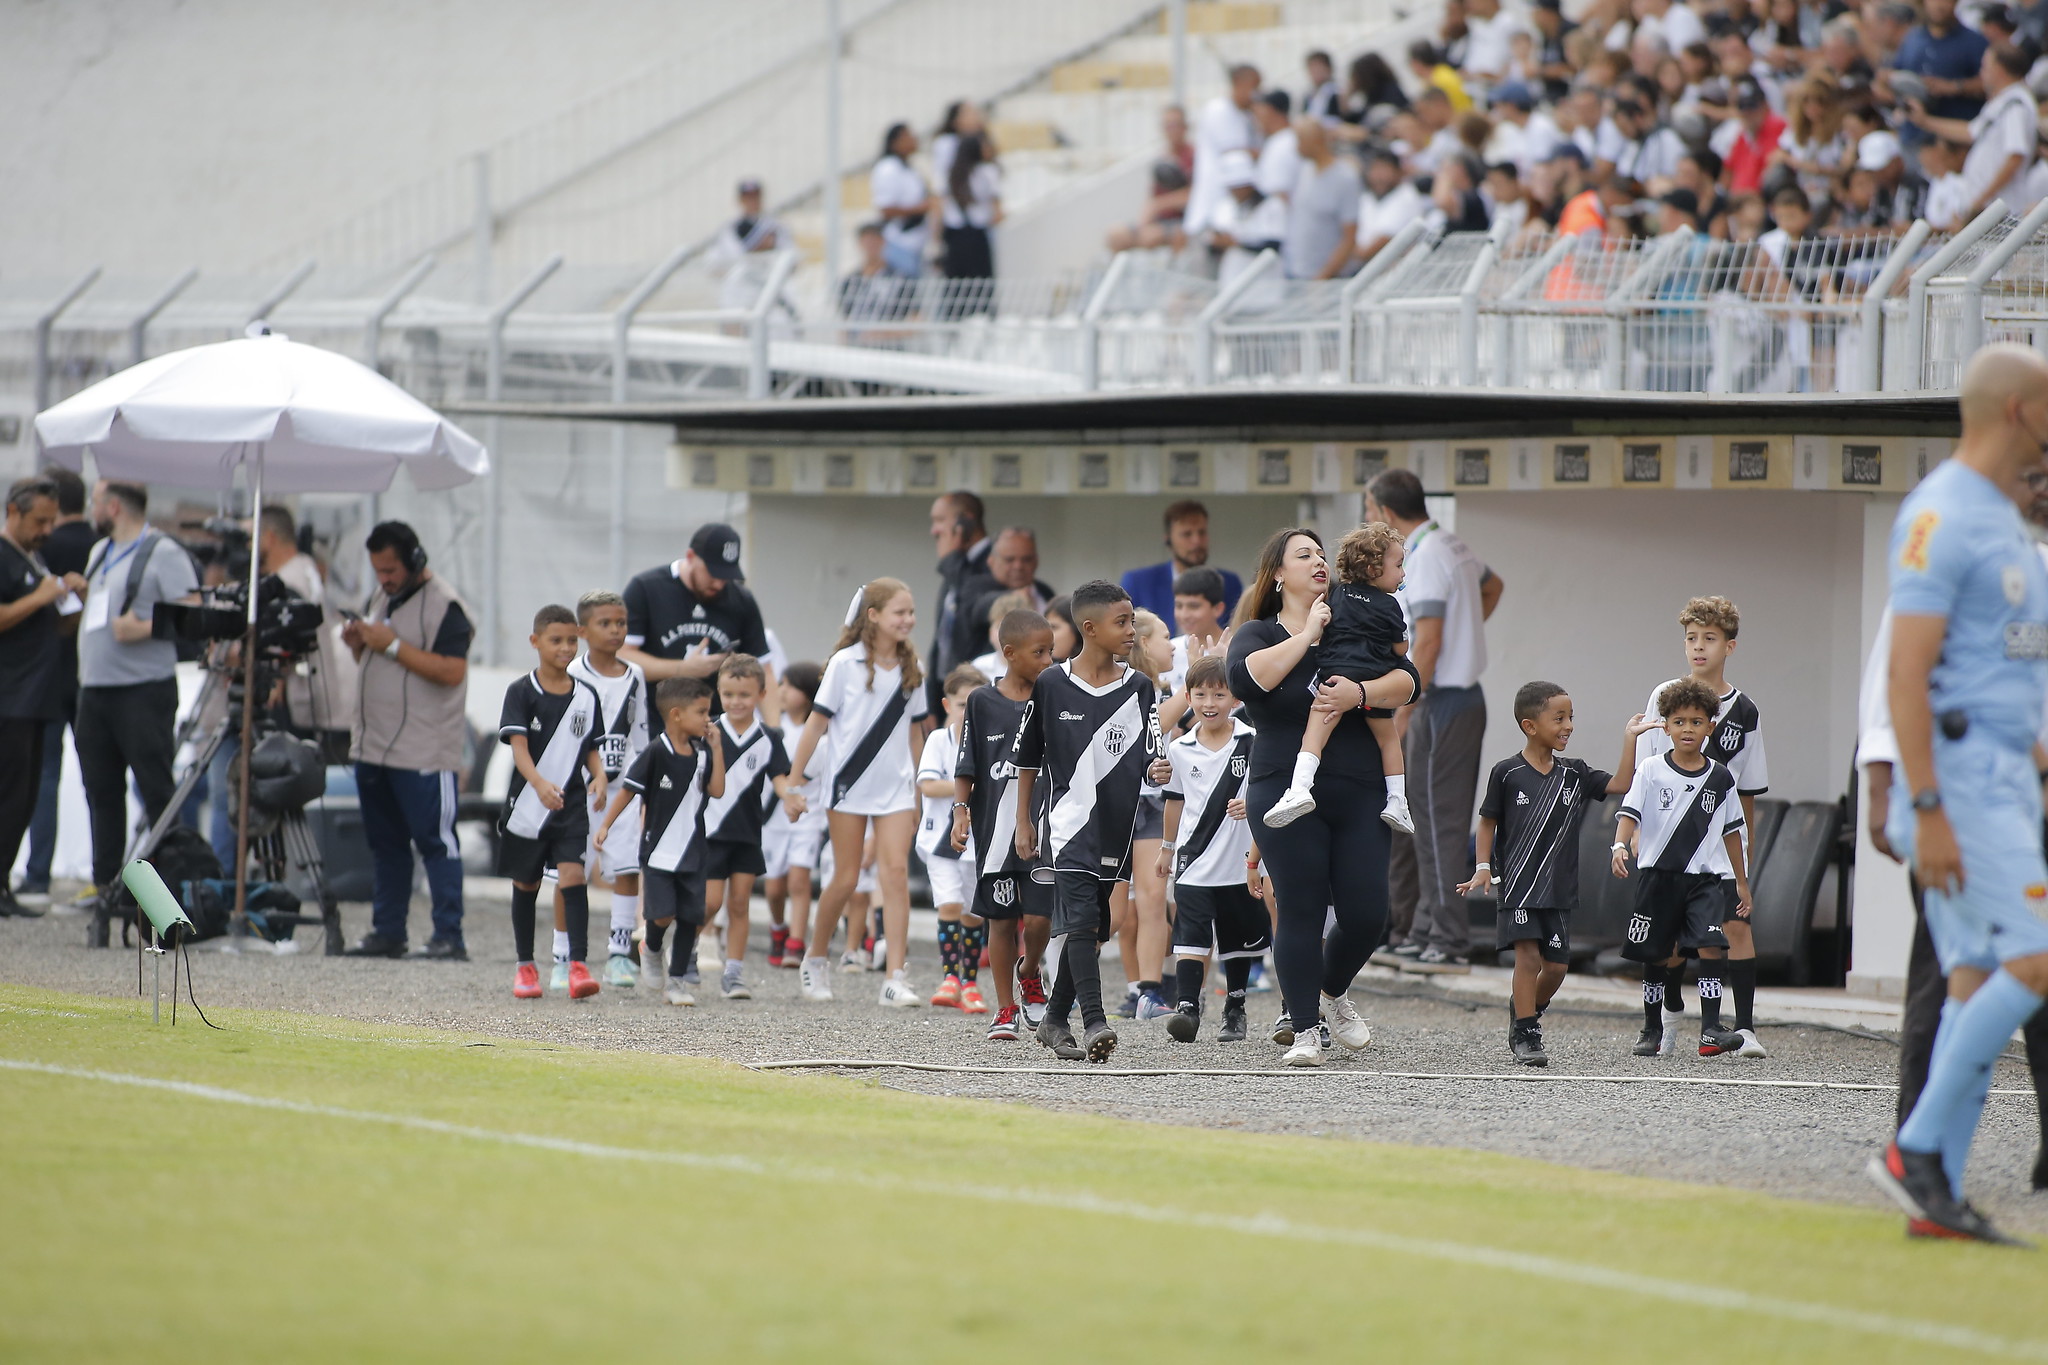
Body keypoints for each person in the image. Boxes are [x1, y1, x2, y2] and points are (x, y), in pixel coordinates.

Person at [1867, 344, 2048, 1246]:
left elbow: (2006, 663)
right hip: (1962, 783)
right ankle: (1918, 1152)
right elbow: (1908, 674)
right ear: (2019, 409)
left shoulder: (2008, 518)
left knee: (1974, 981)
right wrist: (1927, 807)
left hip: (2006, 776)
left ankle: (1932, 1192)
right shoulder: (1941, 511)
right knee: (2038, 957)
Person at [1228, 528, 1422, 1066]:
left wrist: (1361, 692)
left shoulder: (1355, 616)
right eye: (1303, 555)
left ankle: (1328, 992)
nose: (1318, 562)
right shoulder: (1257, 632)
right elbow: (1249, 682)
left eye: (1320, 553)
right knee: (1302, 906)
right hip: (1284, 786)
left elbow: (1407, 679)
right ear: (1278, 575)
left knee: (1367, 914)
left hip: (1361, 786)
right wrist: (1308, 634)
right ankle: (1307, 1031)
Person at [1011, 580, 1170, 1063]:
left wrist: (1154, 768)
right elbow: (1027, 760)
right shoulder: (1051, 684)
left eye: (1132, 622)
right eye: (1121, 622)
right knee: (1080, 920)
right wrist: (1023, 821)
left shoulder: (1142, 688)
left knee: (1100, 926)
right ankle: (1095, 1020)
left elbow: (1152, 754)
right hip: (1068, 825)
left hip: (1118, 829)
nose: (1131, 631)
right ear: (1089, 628)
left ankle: (1055, 1020)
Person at [1459, 682, 1657, 1066]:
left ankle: (1526, 1007)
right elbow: (1487, 823)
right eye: (1559, 718)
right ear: (1530, 725)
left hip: (1560, 889)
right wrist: (1484, 867)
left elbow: (1621, 785)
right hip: (1518, 887)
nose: (1568, 725)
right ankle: (1527, 1031)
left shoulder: (1575, 773)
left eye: (1571, 718)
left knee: (1557, 966)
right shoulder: (1507, 773)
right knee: (1528, 960)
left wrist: (1630, 739)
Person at [1366, 468, 1505, 974]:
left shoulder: (1423, 556)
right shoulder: (1452, 544)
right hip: (1455, 696)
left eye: (1368, 509)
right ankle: (1422, 928)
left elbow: (1427, 642)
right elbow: (1494, 588)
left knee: (1437, 824)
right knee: (1421, 819)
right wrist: (1464, 636)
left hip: (1440, 701)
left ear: (1385, 511)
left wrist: (1402, 710)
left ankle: (1448, 939)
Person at [1633, 596, 1772, 1057]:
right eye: (1691, 638)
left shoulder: (1745, 712)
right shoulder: (1663, 696)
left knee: (1734, 928)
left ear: (1729, 646)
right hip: (1668, 844)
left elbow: (1746, 789)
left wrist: (1744, 854)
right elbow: (1645, 769)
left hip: (1719, 844)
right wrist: (1634, 833)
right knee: (1668, 941)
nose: (1698, 648)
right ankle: (1669, 1011)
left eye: (1709, 639)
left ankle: (1743, 1028)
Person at [788, 578, 931, 1006]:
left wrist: (920, 793)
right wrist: (794, 784)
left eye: (911, 612)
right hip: (848, 785)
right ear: (873, 616)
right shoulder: (844, 664)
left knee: (896, 877)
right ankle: (815, 958)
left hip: (896, 790)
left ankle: (895, 977)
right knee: (846, 877)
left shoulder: (914, 668)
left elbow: (916, 735)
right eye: (899, 612)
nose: (908, 620)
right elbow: (816, 725)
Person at [341, 520, 473, 959]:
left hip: (423, 751)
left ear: (415, 560)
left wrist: (392, 646)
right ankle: (388, 930)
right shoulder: (382, 597)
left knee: (436, 842)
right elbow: (377, 656)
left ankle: (448, 935)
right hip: (374, 748)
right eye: (378, 570)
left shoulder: (445, 605)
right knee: (385, 844)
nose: (385, 579)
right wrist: (360, 643)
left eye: (391, 569)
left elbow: (452, 671)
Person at [1612, 677, 1753, 1060]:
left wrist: (1741, 882)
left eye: (1696, 721)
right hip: (1659, 877)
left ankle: (1710, 1027)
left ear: (1710, 726)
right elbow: (1630, 812)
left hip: (1705, 880)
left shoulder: (1721, 778)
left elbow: (1732, 832)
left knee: (1712, 944)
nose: (1687, 729)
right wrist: (1619, 845)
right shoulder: (1651, 770)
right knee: (1657, 954)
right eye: (1678, 721)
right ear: (1665, 726)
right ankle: (1652, 1027)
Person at [75, 480, 199, 913]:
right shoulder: (99, 554)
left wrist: (143, 628)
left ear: (114, 506)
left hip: (143, 689)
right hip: (95, 689)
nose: (92, 510)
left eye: (95, 502)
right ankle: (106, 884)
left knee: (155, 788)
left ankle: (167, 893)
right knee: (101, 789)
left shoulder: (162, 552)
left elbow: (194, 612)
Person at [1264, 522, 1414, 835]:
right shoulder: (1390, 605)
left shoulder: (1336, 595)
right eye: (1399, 566)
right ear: (1374, 569)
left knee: (1314, 734)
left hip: (1334, 677)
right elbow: (1401, 647)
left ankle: (1300, 788)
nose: (1402, 574)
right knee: (1388, 739)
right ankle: (1398, 801)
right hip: (1373, 678)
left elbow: (1326, 628)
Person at [953, 609, 1057, 1042]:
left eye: (1052, 651)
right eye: (1040, 652)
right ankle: (1005, 1008)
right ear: (1009, 654)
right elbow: (968, 763)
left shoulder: (1055, 695)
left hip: (1042, 829)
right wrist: (960, 811)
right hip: (995, 832)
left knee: (1037, 920)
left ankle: (1030, 971)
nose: (1049, 660)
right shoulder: (981, 701)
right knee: (1000, 920)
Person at [498, 605, 607, 1001]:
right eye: (555, 640)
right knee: (525, 883)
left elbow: (590, 746)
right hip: (528, 804)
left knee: (572, 877)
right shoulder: (521, 691)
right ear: (535, 642)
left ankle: (577, 965)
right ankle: (525, 966)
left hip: (570, 805)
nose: (565, 648)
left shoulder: (586, 696)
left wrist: (598, 775)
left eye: (571, 641)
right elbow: (519, 748)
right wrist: (539, 783)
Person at [598, 676, 725, 1007]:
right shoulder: (656, 751)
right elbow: (628, 790)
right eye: (702, 712)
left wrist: (717, 748)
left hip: (694, 852)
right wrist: (606, 826)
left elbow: (718, 790)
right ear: (677, 715)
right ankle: (651, 947)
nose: (707, 719)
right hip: (657, 853)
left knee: (691, 918)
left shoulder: (702, 752)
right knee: (661, 915)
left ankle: (678, 981)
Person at [1158, 655, 1263, 1044]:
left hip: (1241, 860)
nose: (1209, 703)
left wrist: (1252, 803)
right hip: (1194, 858)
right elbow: (1174, 800)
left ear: (1234, 698)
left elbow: (1269, 789)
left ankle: (1235, 1007)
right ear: (1187, 696)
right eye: (1200, 694)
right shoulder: (1181, 748)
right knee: (1189, 933)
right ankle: (1187, 1007)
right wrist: (1167, 849)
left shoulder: (1252, 741)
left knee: (1238, 938)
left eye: (1219, 694)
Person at [1, 478, 86, 918]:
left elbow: (54, 628)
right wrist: (39, 596)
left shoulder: (34, 557)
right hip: (9, 696)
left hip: (38, 695)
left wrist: (71, 602)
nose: (48, 529)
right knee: (10, 791)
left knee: (27, 795)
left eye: (52, 520)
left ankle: (3, 883)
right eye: (40, 520)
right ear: (13, 511)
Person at [563, 590, 650, 989]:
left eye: (621, 623)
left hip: (623, 790)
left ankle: (619, 953)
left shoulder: (635, 675)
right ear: (582, 630)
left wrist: (643, 786)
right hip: (577, 790)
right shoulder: (572, 676)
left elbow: (642, 734)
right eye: (605, 623)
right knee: (570, 872)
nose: (615, 631)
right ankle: (563, 957)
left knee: (627, 867)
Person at [695, 653, 792, 1001]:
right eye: (729, 694)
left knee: (739, 904)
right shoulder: (707, 732)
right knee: (708, 902)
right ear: (718, 693)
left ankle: (733, 973)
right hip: (708, 831)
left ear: (761, 695)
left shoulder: (769, 737)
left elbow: (780, 780)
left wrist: (791, 798)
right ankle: (686, 950)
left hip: (748, 834)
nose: (736, 702)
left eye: (744, 695)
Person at [20, 466, 91, 906]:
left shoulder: (39, 550)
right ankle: (110, 872)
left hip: (43, 678)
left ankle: (37, 873)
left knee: (43, 777)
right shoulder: (101, 547)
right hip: (90, 679)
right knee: (99, 783)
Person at [620, 522, 773, 716]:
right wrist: (683, 668)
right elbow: (623, 656)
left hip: (715, 723)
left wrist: (775, 733)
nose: (718, 584)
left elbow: (764, 669)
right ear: (691, 557)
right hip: (655, 720)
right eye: (712, 573)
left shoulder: (741, 600)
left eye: (726, 576)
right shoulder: (646, 588)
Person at [920, 664, 988, 1011]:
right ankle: (950, 976)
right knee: (948, 904)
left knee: (974, 912)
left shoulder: (990, 742)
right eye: (962, 704)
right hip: (940, 841)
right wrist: (967, 787)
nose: (968, 712)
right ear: (948, 705)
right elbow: (928, 785)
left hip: (980, 842)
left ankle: (970, 981)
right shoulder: (938, 740)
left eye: (975, 703)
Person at [1908, 45, 2039, 223]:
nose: (1981, 72)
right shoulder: (2001, 102)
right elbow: (1970, 132)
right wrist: (1925, 121)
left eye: (1985, 66)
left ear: (1999, 69)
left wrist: (1981, 200)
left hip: (2002, 210)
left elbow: (2015, 156)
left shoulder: (2016, 105)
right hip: (1989, 208)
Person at [762, 661, 825, 969]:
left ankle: (796, 941)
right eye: (781, 684)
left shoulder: (821, 731)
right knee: (774, 886)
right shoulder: (775, 728)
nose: (782, 692)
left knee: (799, 880)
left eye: (790, 685)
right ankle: (778, 928)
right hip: (774, 817)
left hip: (808, 815)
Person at [1121, 500, 1242, 623]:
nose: (1196, 541)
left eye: (1202, 532)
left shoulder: (1229, 583)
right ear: (1168, 540)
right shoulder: (1139, 582)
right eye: (1187, 534)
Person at [928, 490, 992, 705]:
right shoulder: (955, 566)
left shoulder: (992, 562)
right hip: (945, 689)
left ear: (966, 519)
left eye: (940, 520)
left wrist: (951, 559)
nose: (934, 530)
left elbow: (969, 603)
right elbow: (942, 636)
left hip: (974, 687)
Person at [1106, 105, 1196, 254]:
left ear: (1185, 127)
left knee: (1151, 237)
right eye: (1167, 126)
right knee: (1116, 235)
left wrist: (1159, 205)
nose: (1171, 130)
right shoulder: (1161, 159)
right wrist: (1143, 223)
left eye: (1175, 124)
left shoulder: (1195, 157)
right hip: (1158, 221)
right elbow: (1152, 200)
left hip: (1184, 222)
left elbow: (1196, 195)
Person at [1187, 63, 1261, 241]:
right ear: (1238, 83)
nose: (1257, 94)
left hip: (1234, 209)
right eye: (1254, 87)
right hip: (1215, 201)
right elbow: (1234, 153)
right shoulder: (1218, 110)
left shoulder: (1248, 115)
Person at [1284, 118, 1363, 281]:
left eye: (1300, 141)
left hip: (1327, 279)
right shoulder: (1305, 170)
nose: (1296, 147)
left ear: (1315, 141)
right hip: (1297, 273)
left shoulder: (1345, 178)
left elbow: (1349, 236)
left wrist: (1323, 277)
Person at [965, 526, 1054, 652]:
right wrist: (1013, 599)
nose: (1018, 566)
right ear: (991, 561)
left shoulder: (1045, 591)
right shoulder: (976, 587)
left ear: (1036, 561)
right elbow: (980, 607)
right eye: (1009, 560)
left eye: (1026, 559)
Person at [939, 129, 1002, 302]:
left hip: (959, 235)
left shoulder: (954, 173)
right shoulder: (985, 172)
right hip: (971, 235)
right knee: (978, 287)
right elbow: (997, 210)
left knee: (960, 290)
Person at [707, 178, 787, 311]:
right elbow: (713, 264)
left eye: (755, 197)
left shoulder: (775, 227)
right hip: (738, 293)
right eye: (748, 198)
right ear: (740, 200)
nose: (752, 202)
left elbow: (790, 257)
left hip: (768, 293)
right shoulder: (729, 228)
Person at [1354, 148, 1429, 267]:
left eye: (1384, 169)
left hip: (1398, 273)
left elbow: (1371, 249)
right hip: (1367, 270)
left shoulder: (1407, 197)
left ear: (1399, 172)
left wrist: (1346, 253)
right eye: (1375, 169)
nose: (1379, 176)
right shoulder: (1368, 197)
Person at [1302, 50, 1341, 122]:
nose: (1315, 72)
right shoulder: (1309, 96)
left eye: (1319, 68)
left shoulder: (1337, 92)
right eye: (1312, 69)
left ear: (1329, 68)